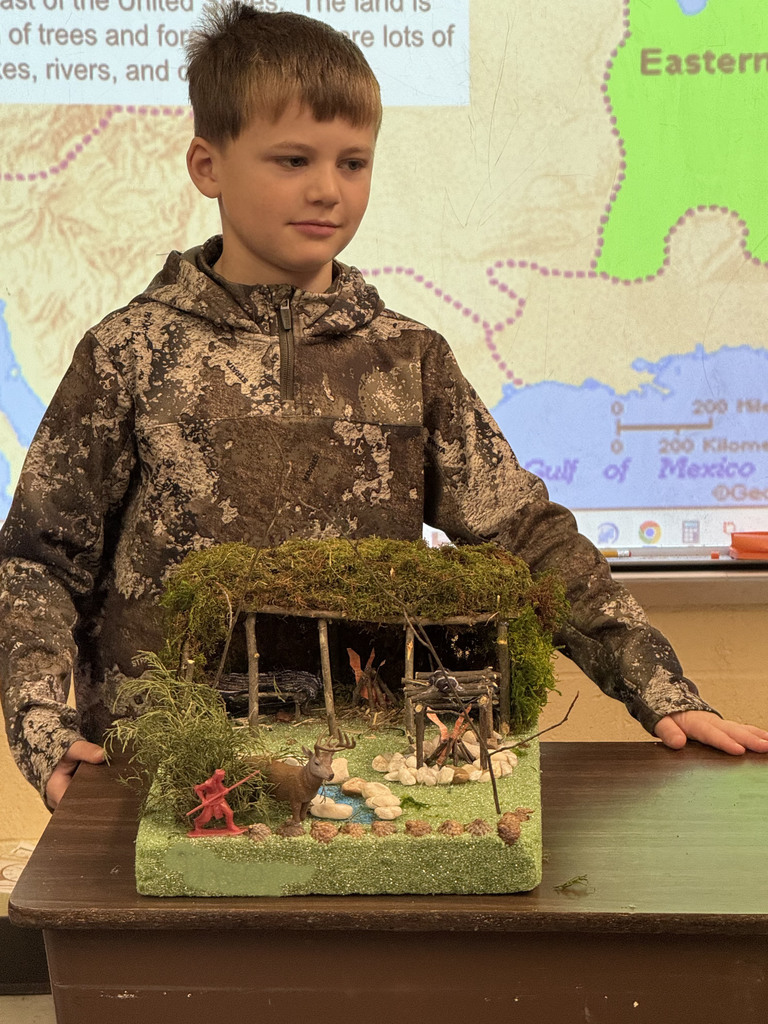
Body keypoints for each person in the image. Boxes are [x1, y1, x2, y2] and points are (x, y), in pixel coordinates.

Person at [1, 3, 766, 812]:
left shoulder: (410, 359)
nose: (327, 190)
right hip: (162, 781)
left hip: (366, 781)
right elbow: (39, 563)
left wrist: (662, 689)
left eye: (353, 163)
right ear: (208, 165)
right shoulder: (128, 354)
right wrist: (43, 729)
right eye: (292, 159)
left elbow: (525, 534)